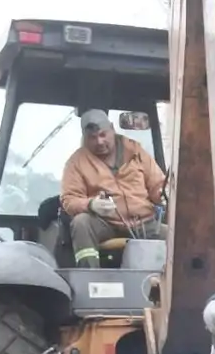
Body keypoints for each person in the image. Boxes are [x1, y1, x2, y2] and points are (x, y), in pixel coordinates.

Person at [60, 110, 166, 268]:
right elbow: (69, 200)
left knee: (175, 235)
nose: (100, 142)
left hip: (143, 222)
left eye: (103, 134)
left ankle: (170, 286)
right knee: (81, 223)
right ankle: (90, 280)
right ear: (84, 137)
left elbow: (158, 186)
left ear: (112, 129)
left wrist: (165, 194)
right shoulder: (76, 162)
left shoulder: (136, 152)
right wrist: (91, 204)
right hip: (105, 224)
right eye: (93, 138)